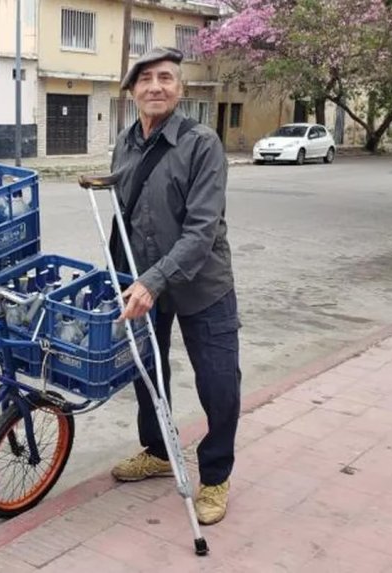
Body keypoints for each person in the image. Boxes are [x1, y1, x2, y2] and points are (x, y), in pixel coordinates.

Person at [108, 46, 242, 526]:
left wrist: (154, 280)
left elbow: (202, 230)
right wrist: (121, 274)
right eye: (145, 80)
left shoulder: (202, 142)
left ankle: (217, 474)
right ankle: (159, 452)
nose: (156, 87)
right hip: (147, 284)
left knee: (219, 382)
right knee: (149, 374)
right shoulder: (125, 143)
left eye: (166, 78)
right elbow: (124, 215)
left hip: (203, 285)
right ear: (133, 93)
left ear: (179, 88)